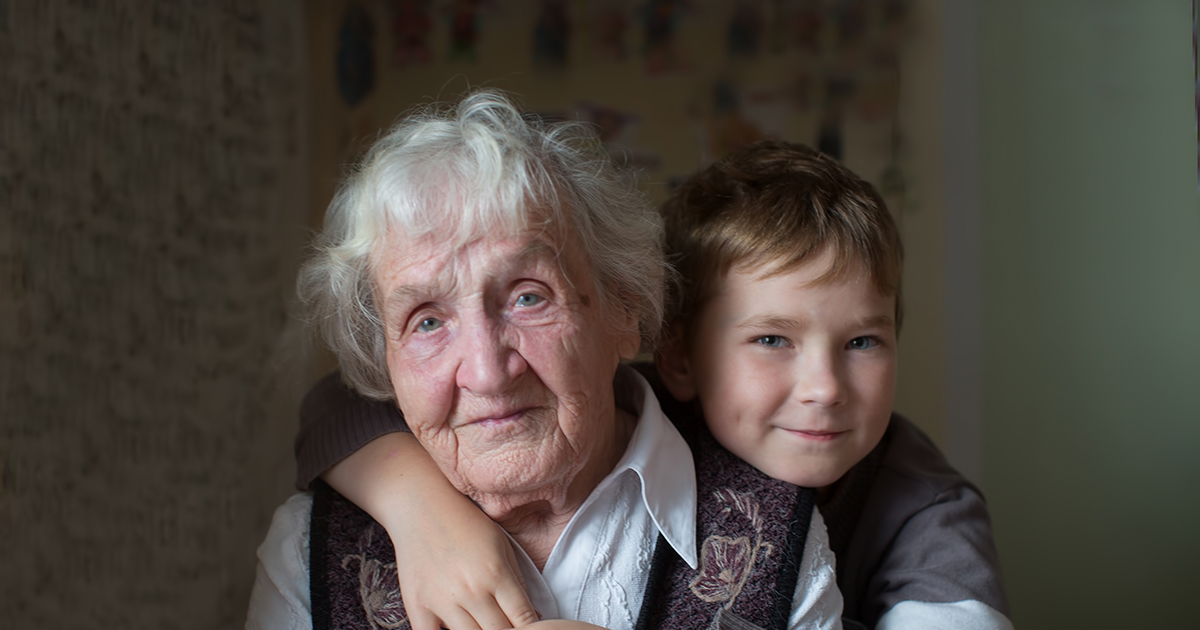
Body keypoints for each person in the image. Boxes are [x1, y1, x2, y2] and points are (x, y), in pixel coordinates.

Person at [291, 140, 1013, 630]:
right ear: (677, 357)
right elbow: (348, 399)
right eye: (771, 340)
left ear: (626, 315)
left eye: (862, 341)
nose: (823, 387)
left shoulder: (928, 511)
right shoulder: (616, 396)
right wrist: (418, 512)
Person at [246, 91, 844, 630]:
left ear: (625, 311)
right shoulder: (310, 551)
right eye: (427, 320)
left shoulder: (772, 529)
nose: (486, 371)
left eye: (529, 297)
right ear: (385, 365)